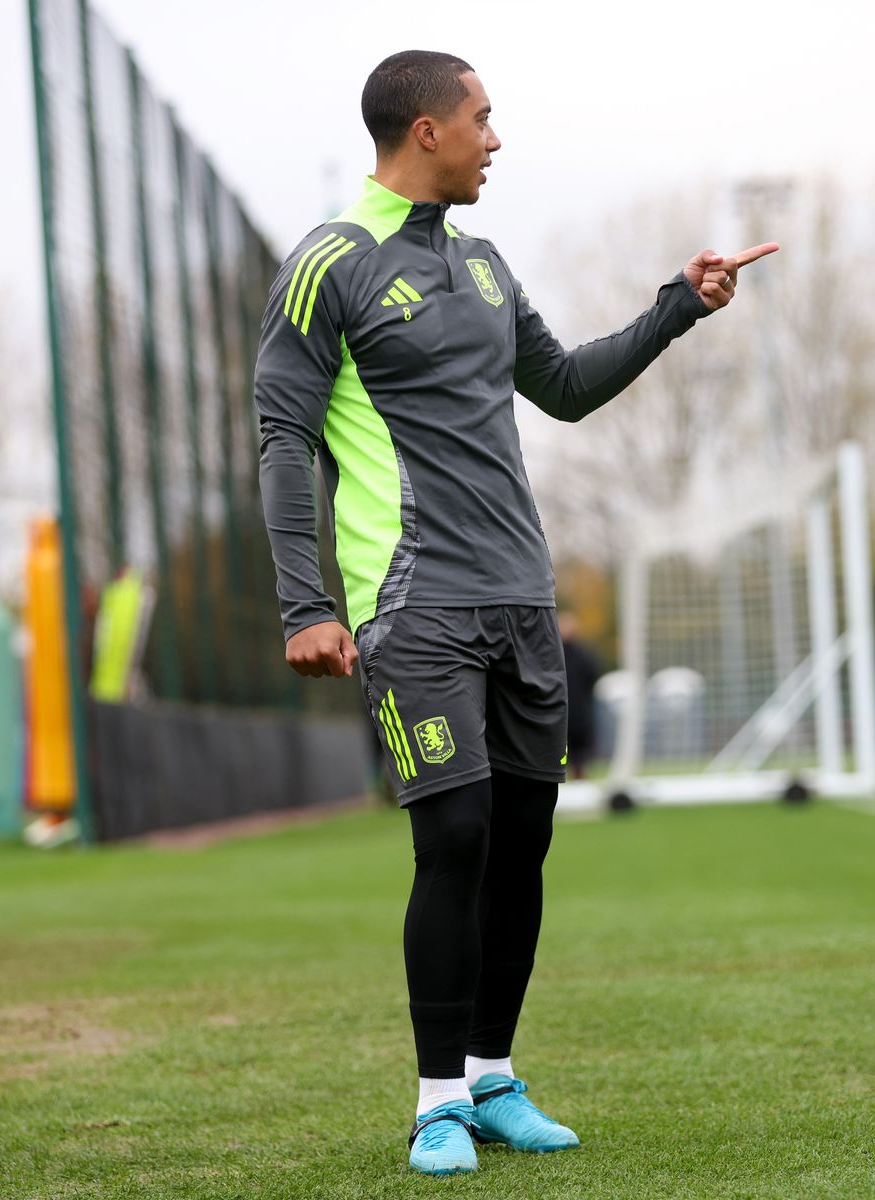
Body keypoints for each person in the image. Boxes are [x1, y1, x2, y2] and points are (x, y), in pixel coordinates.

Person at [253, 49, 776, 1177]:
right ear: (424, 129)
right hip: (411, 605)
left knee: (523, 845)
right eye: (483, 119)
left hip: (520, 600)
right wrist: (309, 603)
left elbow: (570, 388)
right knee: (453, 835)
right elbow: (283, 440)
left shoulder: (486, 266)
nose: (497, 138)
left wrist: (679, 306)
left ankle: (492, 1076)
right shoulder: (328, 266)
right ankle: (437, 1100)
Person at [557, 610, 602, 780]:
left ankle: (580, 776)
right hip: (558, 710)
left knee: (580, 750)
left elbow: (592, 675)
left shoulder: (583, 653)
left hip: (579, 710)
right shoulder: (552, 652)